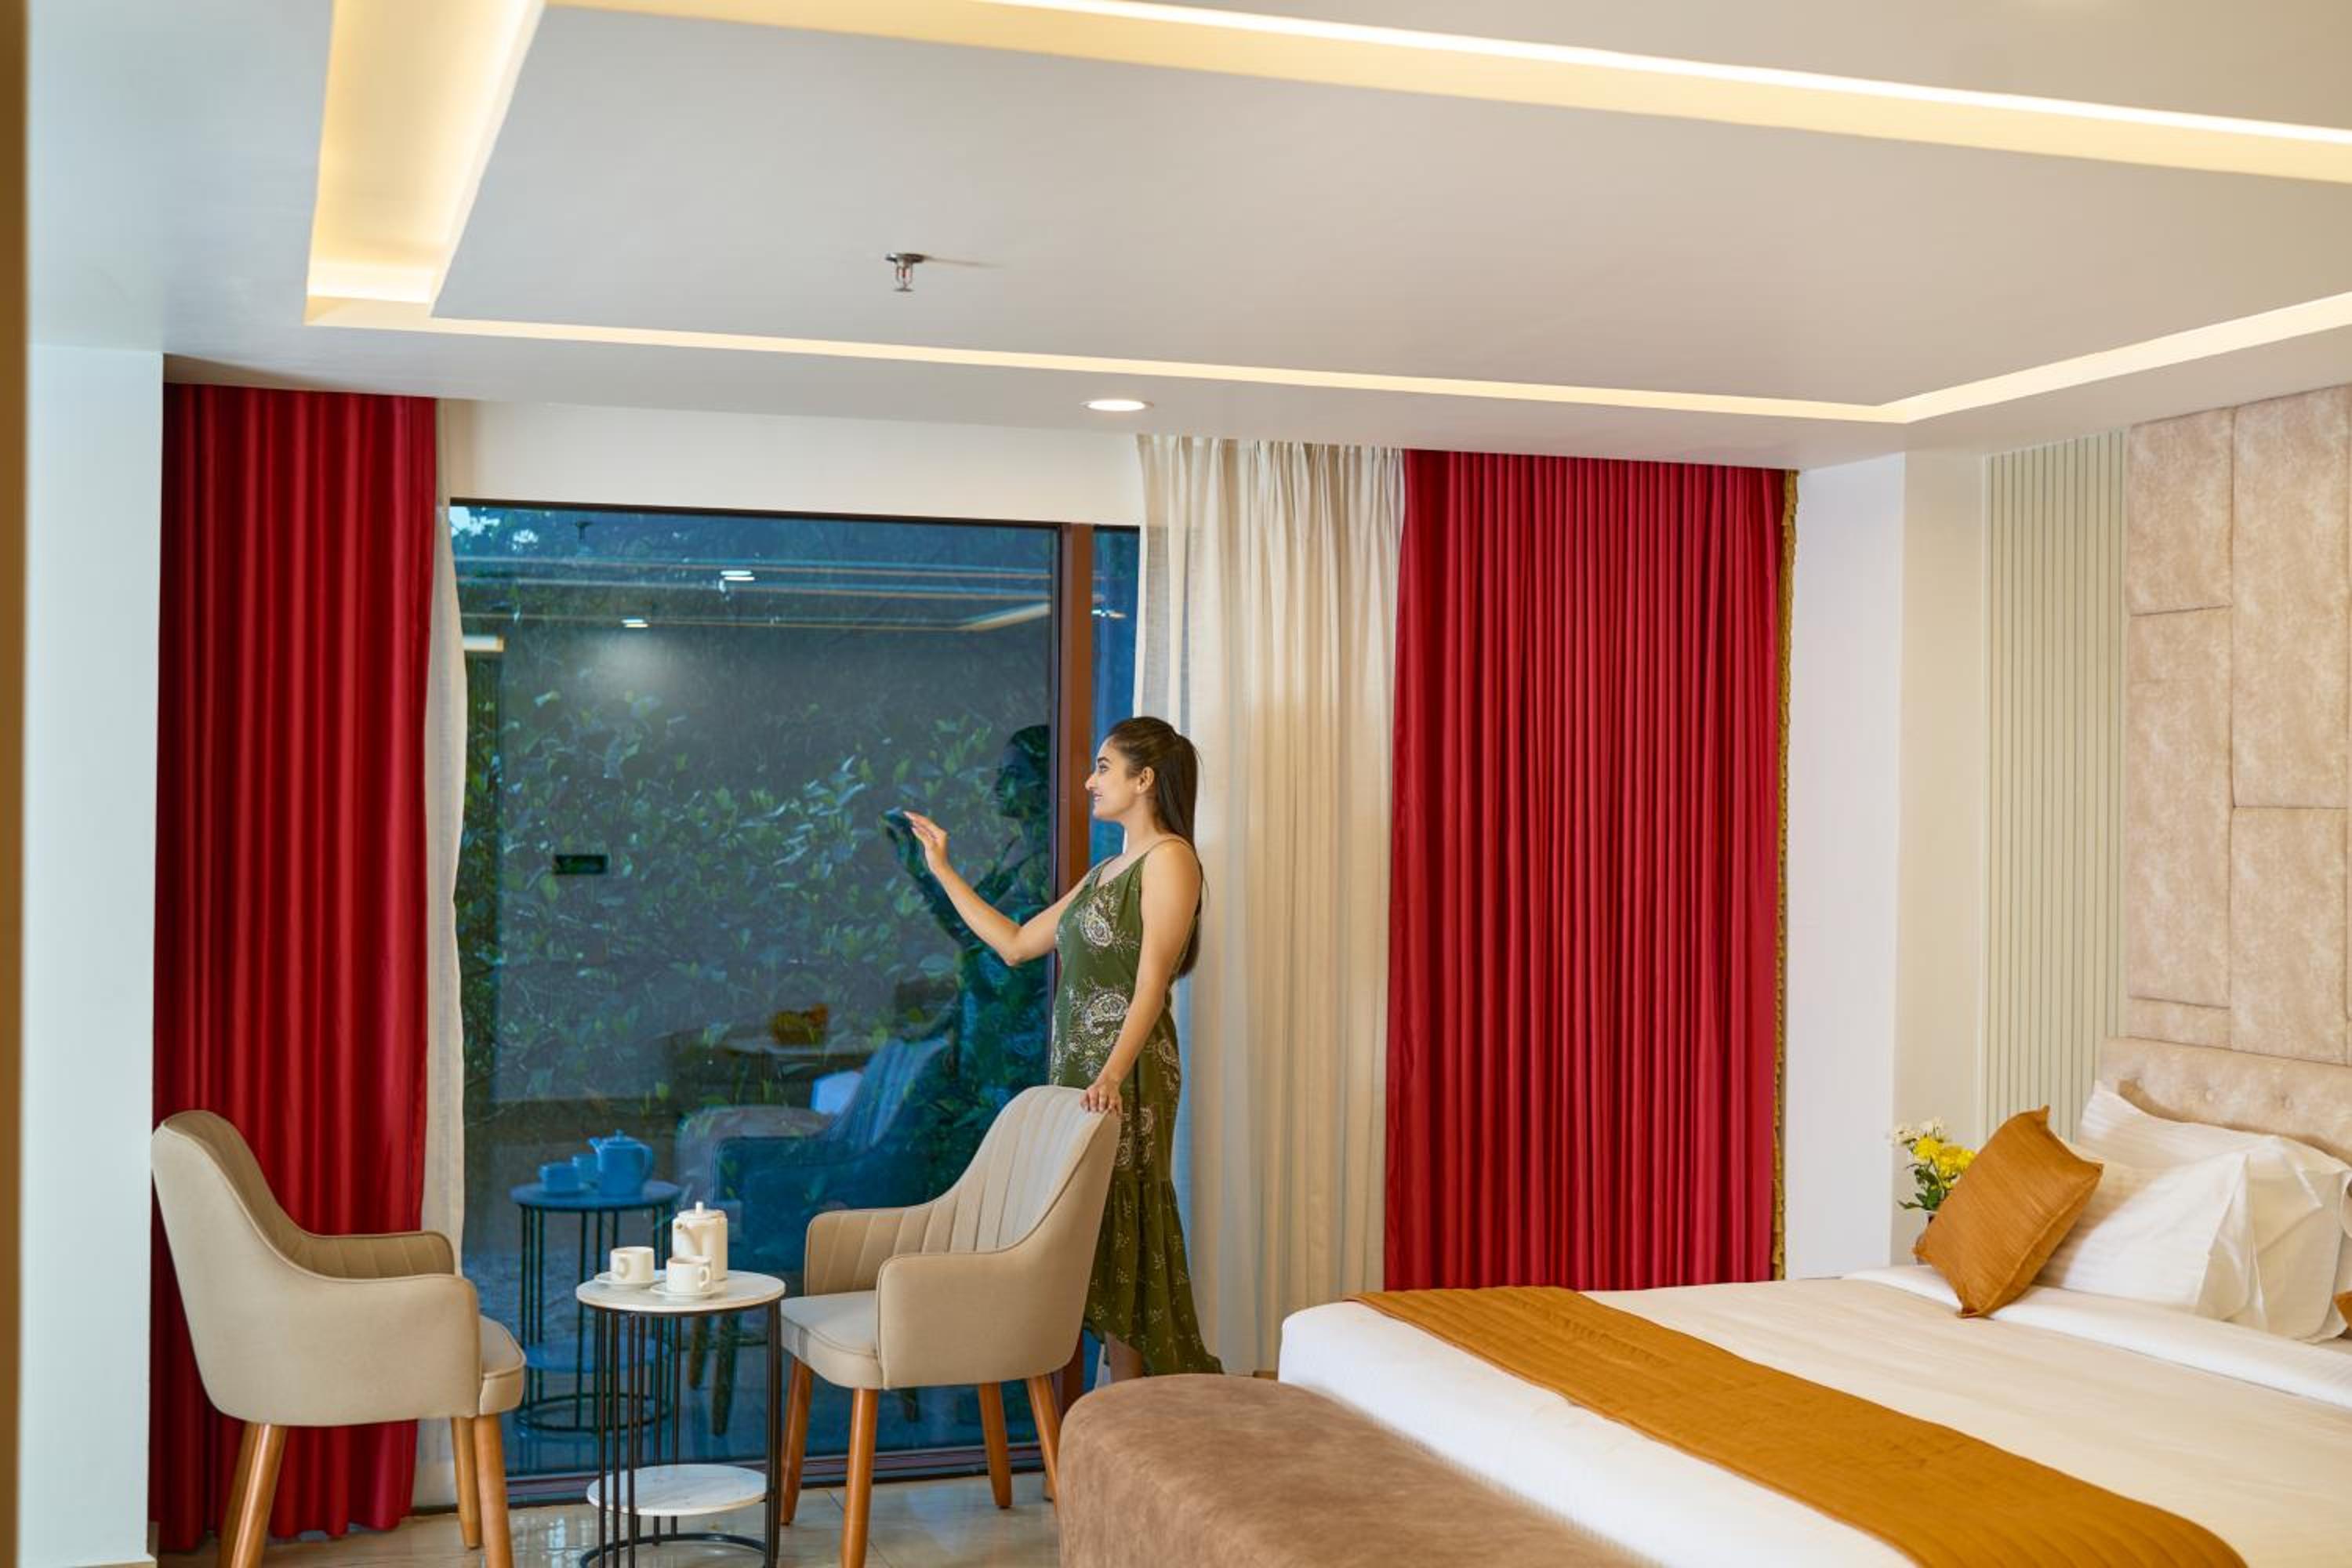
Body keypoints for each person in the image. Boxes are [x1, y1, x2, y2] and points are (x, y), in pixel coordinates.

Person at [898, 716, 1222, 1381]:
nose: (1089, 782)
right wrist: (943, 869)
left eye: (1103, 767)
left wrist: (1111, 1076)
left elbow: (1151, 985)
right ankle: (1132, 1411)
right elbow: (1016, 946)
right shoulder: (1106, 872)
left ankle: (1145, 1404)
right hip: (1082, 1075)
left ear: (1144, 779)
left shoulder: (1171, 860)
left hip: (1126, 1074)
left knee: (1124, 1224)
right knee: (1097, 1229)